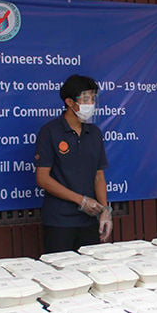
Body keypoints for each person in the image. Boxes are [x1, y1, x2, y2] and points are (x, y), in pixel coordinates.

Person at [35, 74, 112, 252]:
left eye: (93, 99)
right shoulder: (49, 132)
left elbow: (99, 176)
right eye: (86, 99)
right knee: (62, 273)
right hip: (60, 221)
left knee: (93, 271)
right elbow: (43, 179)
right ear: (69, 102)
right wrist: (81, 200)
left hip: (89, 221)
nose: (90, 104)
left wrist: (105, 211)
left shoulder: (94, 133)